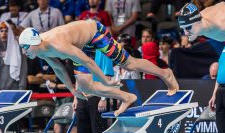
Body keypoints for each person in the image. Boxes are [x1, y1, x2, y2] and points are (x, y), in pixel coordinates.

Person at [18, 20, 180, 114]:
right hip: (81, 44)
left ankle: (165, 73)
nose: (24, 53)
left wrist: (106, 81)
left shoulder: (59, 45)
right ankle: (127, 97)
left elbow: (88, 62)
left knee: (130, 64)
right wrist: (72, 90)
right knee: (86, 85)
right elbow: (58, 69)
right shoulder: (38, 51)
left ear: (34, 44)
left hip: (95, 33)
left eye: (25, 49)